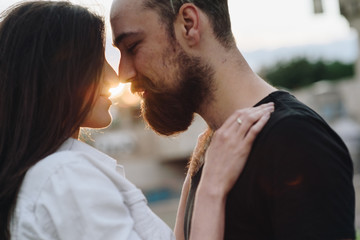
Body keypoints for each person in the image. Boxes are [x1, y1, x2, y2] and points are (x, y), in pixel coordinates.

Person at [0, 1, 274, 240]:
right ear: (55, 77)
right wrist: (212, 189)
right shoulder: (66, 175)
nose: (114, 78)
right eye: (97, 63)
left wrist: (196, 176)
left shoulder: (53, 173)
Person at [110, 0, 356, 239]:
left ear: (188, 24)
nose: (123, 74)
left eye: (132, 46)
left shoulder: (295, 139)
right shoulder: (215, 150)